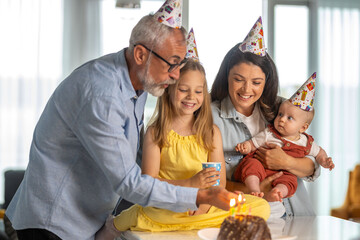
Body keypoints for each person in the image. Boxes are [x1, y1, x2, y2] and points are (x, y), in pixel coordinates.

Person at [5, 2, 238, 239]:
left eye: (179, 64)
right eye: (172, 63)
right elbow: (128, 181)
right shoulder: (103, 96)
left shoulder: (138, 80)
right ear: (140, 54)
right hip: (53, 222)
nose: (175, 75)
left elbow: (128, 155)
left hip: (84, 220)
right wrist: (197, 194)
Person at [95, 28, 271, 239]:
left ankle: (193, 222)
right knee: (139, 213)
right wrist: (190, 187)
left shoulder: (211, 132)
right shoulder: (156, 132)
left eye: (198, 91)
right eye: (183, 89)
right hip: (167, 206)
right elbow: (148, 183)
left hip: (204, 206)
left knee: (261, 207)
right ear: (169, 88)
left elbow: (218, 183)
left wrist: (204, 203)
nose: (191, 97)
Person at [210, 17, 320, 216]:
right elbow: (209, 183)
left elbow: (312, 165)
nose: (246, 89)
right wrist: (257, 189)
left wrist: (285, 162)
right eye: (238, 79)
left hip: (296, 216)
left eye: (256, 82)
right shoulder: (211, 117)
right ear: (226, 76)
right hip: (245, 218)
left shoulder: (281, 110)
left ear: (266, 81)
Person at [234, 74, 334, 202]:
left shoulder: (306, 142)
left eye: (289, 118)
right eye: (280, 114)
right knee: (251, 165)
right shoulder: (270, 133)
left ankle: (278, 192)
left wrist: (324, 160)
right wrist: (245, 147)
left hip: (284, 173)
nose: (281, 119)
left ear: (303, 128)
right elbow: (253, 143)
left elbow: (319, 152)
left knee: (290, 181)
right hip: (261, 167)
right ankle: (255, 189)